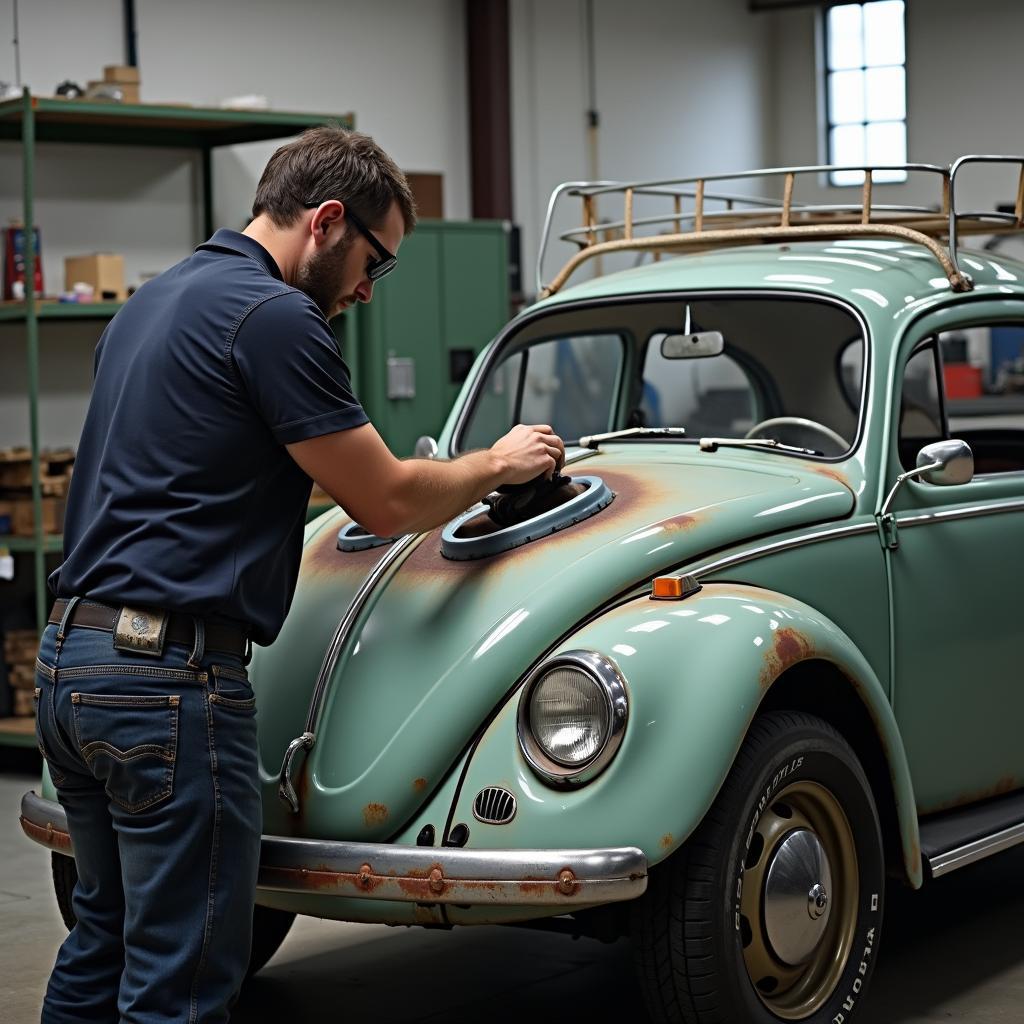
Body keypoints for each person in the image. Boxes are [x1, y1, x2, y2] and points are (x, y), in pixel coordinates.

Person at [34, 125, 564, 1023]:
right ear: (326, 220)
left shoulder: (154, 301)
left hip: (71, 663)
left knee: (103, 941)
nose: (366, 287)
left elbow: (193, 479)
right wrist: (496, 464)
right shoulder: (277, 317)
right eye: (374, 259)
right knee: (183, 976)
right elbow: (389, 501)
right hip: (167, 683)